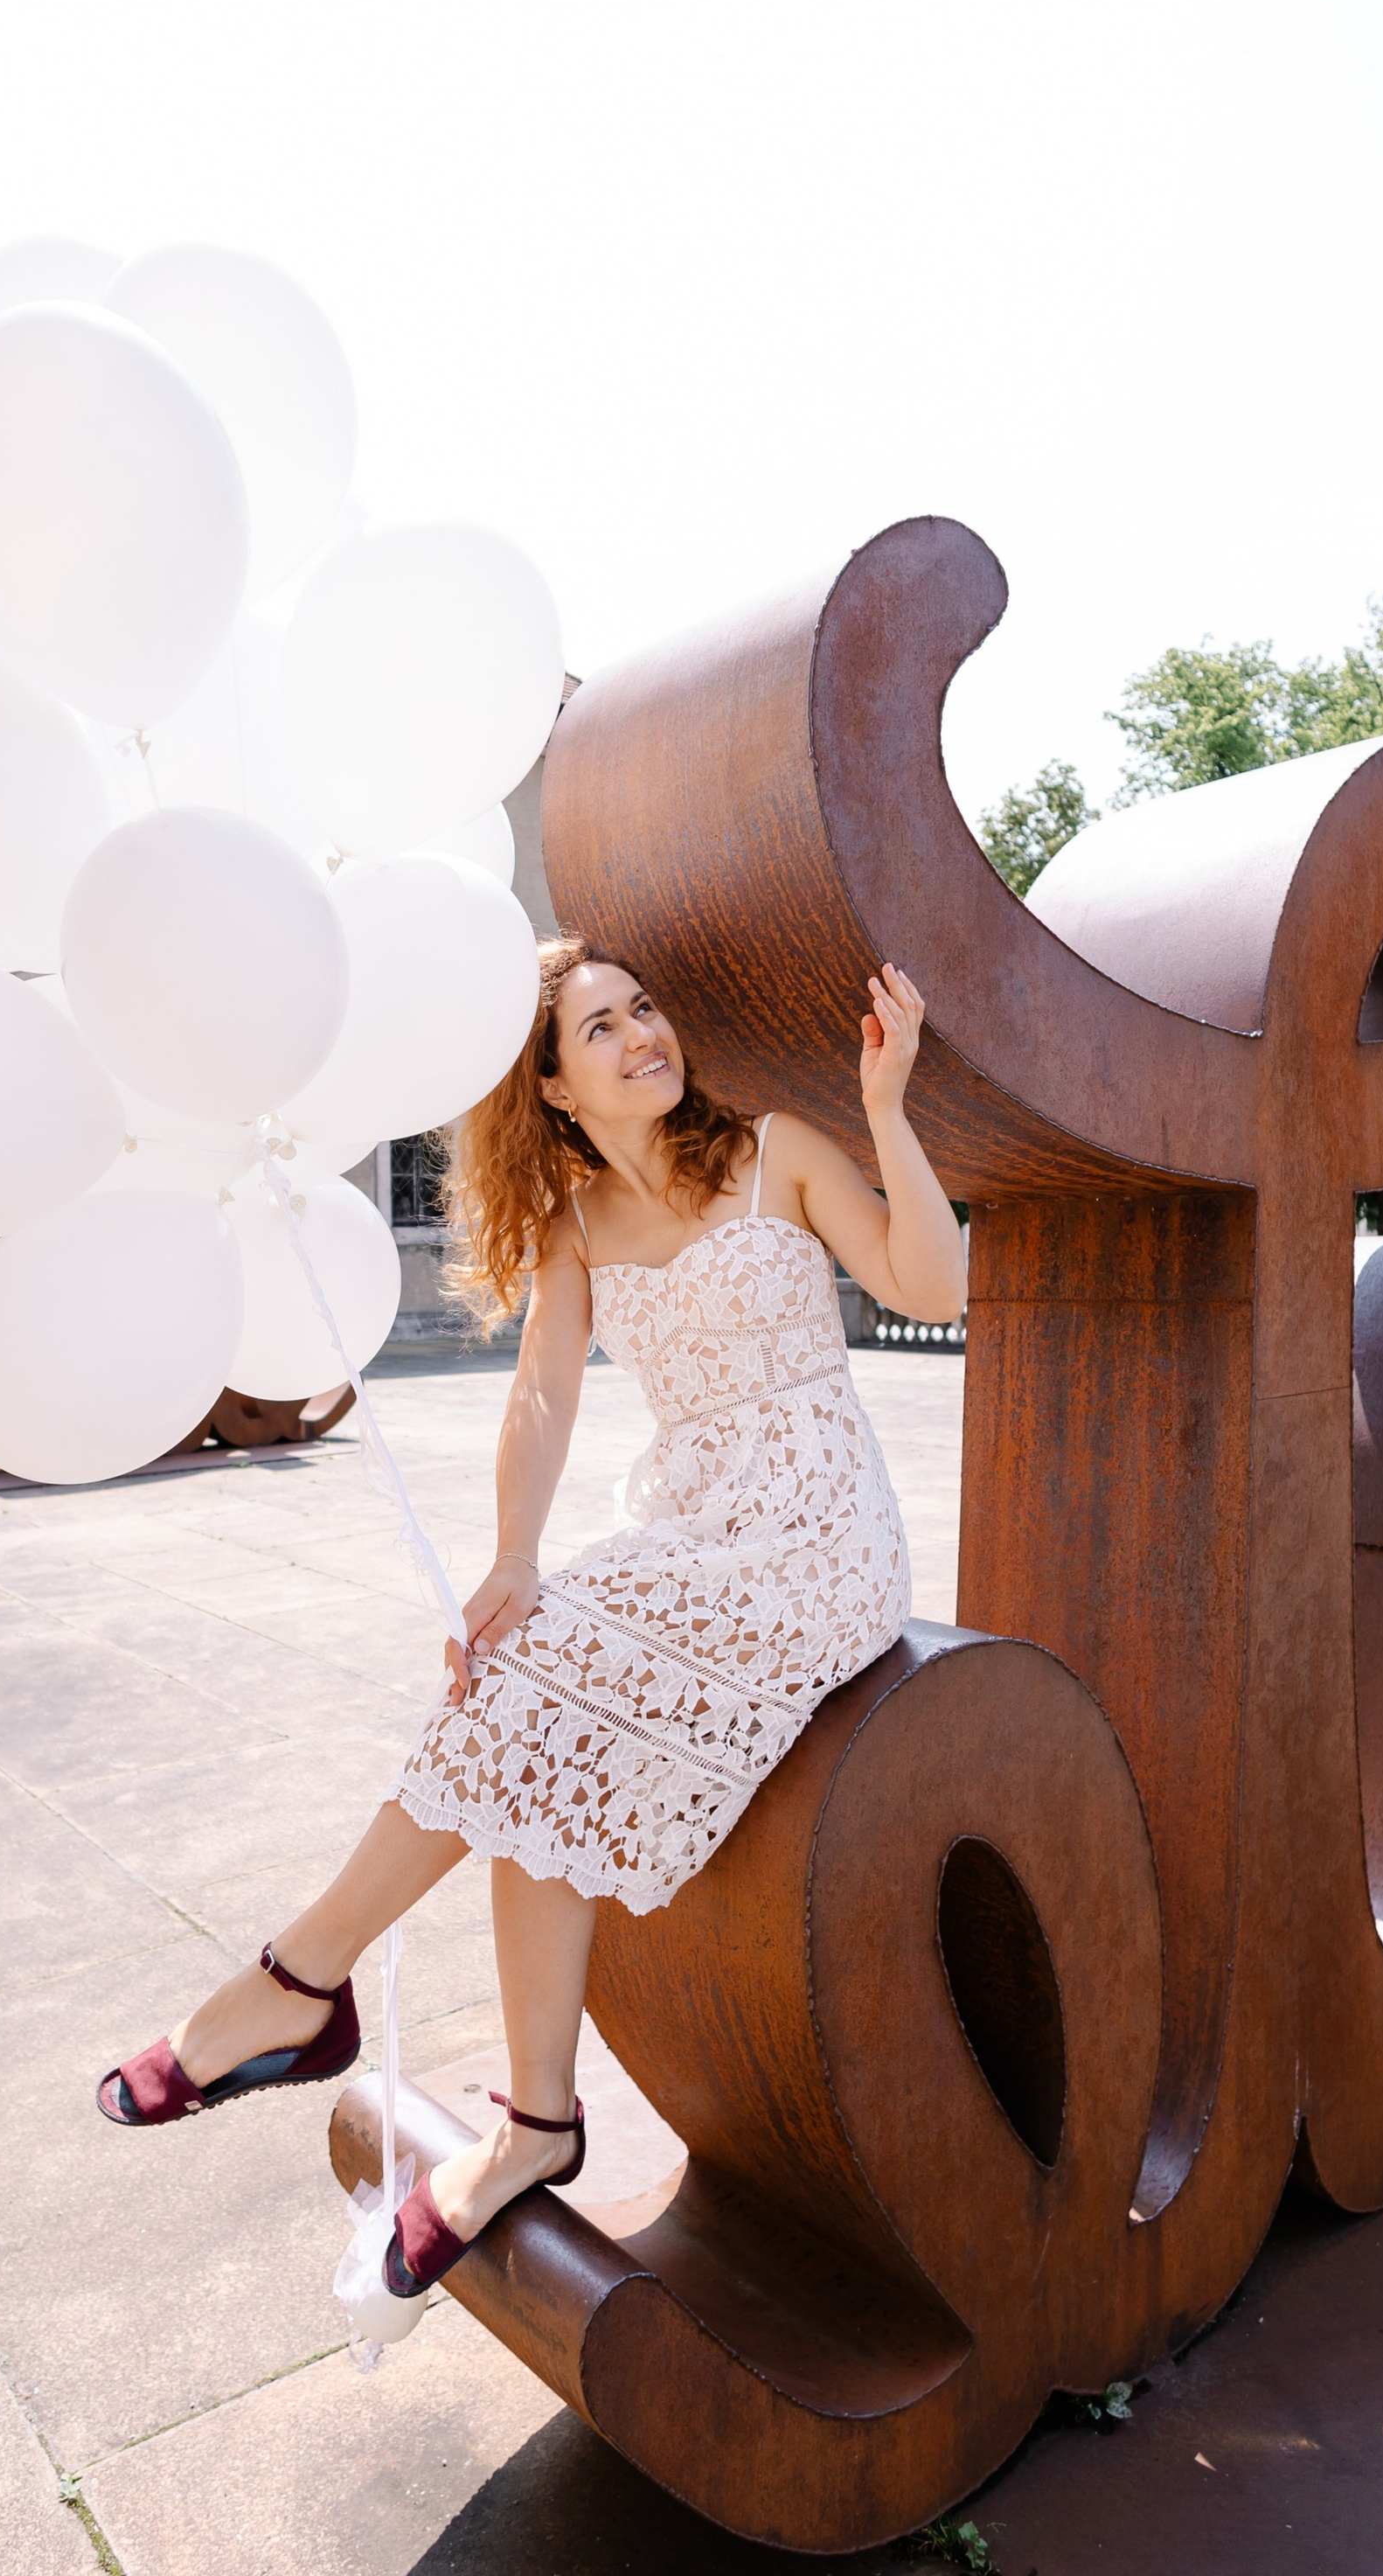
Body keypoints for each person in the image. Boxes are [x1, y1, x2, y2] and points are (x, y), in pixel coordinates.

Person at [97, 935, 968, 2299]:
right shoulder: (573, 1226)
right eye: (601, 1029)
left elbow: (935, 1289)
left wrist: (888, 1109)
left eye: (645, 1010)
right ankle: (535, 2120)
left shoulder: (777, 1149)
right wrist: (513, 1553)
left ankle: (300, 1975)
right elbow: (543, 1397)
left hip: (818, 1540)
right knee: (529, 1712)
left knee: (545, 1682)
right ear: (555, 1087)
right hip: (692, 1531)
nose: (642, 1037)